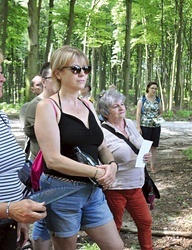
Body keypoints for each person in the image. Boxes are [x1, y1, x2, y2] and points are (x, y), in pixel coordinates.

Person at [34, 45, 123, 250]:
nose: (82, 73)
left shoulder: (88, 105)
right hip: (61, 191)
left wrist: (112, 166)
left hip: (92, 190)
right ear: (58, 73)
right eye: (75, 69)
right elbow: (53, 159)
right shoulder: (48, 107)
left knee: (116, 246)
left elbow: (101, 144)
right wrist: (97, 172)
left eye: (86, 68)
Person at [0, 51, 47, 249]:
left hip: (6, 225)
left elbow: (10, 172)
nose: (3, 78)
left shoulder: (1, 117)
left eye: (1, 71)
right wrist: (10, 209)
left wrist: (17, 216)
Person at [98, 89, 153, 250]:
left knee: (145, 221)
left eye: (122, 104)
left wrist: (146, 154)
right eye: (115, 106)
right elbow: (100, 160)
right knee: (114, 227)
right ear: (106, 112)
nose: (121, 108)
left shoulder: (128, 123)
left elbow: (140, 143)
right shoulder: (101, 132)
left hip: (136, 185)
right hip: (116, 188)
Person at [23, 62, 58, 250]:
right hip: (42, 171)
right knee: (42, 215)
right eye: (55, 77)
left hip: (62, 171)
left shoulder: (63, 102)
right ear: (44, 81)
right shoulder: (34, 106)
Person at [136, 81, 163, 173]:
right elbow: (138, 114)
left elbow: (161, 112)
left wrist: (158, 118)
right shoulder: (142, 100)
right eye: (152, 88)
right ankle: (141, 167)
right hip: (145, 126)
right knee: (144, 146)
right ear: (148, 88)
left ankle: (152, 166)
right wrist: (138, 127)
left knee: (154, 147)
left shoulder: (158, 100)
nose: (154, 90)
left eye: (155, 88)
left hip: (156, 126)